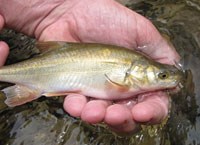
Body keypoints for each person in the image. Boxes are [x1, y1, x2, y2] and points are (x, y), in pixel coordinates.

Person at [0, 0, 180, 133]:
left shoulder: (135, 64)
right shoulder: (130, 72)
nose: (166, 79)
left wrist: (57, 8)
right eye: (162, 76)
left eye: (162, 76)